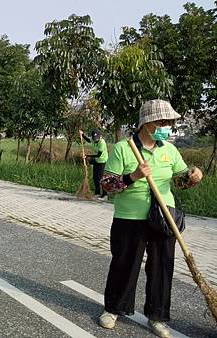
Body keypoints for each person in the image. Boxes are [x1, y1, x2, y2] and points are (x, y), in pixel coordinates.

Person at [98, 99, 203, 338]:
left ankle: (157, 317)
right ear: (147, 123)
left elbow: (179, 179)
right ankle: (113, 308)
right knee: (124, 264)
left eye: (169, 122)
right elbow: (106, 183)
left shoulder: (169, 150)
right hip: (129, 217)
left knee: (162, 267)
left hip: (164, 216)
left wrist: (192, 177)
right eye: (162, 121)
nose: (167, 125)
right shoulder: (124, 148)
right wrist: (133, 176)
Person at [79, 129, 108, 200]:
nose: (95, 139)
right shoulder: (93, 140)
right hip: (96, 161)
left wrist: (87, 156)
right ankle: (97, 193)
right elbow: (89, 140)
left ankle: (105, 195)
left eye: (97, 137)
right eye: (94, 138)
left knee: (101, 179)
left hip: (102, 161)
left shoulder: (102, 142)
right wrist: (82, 135)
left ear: (100, 136)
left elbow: (98, 155)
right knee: (95, 178)